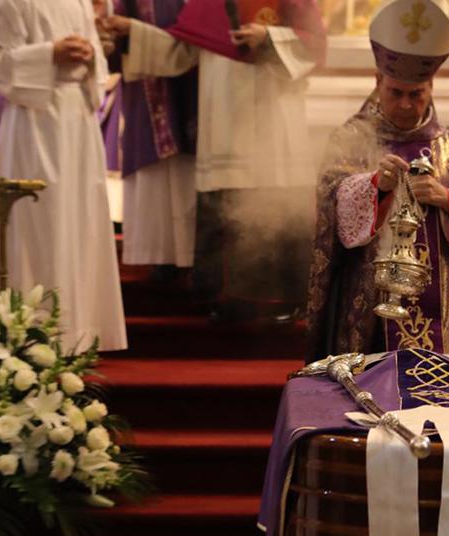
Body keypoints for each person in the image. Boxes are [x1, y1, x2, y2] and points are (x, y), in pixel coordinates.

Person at [306, 0, 449, 361]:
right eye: (395, 93)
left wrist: (448, 199)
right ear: (378, 82)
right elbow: (327, 204)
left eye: (416, 94)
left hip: (443, 302)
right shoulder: (350, 139)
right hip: (370, 301)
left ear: (431, 87)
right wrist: (374, 187)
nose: (405, 105)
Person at [104, 0, 325, 321]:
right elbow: (180, 52)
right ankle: (224, 300)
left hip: (274, 117)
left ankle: (283, 301)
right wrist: (132, 33)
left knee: (274, 203)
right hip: (222, 121)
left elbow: (315, 45)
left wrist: (268, 38)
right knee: (226, 208)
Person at [0, 0, 127, 353]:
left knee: (81, 220)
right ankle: (35, 331)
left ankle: (82, 329)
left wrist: (90, 55)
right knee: (40, 218)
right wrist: (49, 54)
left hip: (78, 119)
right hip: (34, 120)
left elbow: (96, 55)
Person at [107, 0, 198, 274]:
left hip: (191, 93)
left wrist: (133, 30)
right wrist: (113, 32)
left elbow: (198, 39)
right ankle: (160, 260)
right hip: (145, 99)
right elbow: (111, 48)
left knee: (187, 177)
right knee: (156, 180)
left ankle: (190, 260)